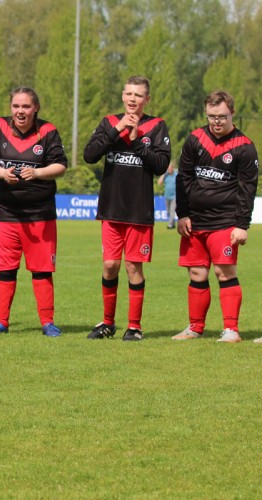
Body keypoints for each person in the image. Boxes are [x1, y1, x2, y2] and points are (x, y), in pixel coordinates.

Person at [83, 75, 171, 341]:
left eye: (138, 95)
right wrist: (117, 129)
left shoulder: (156, 126)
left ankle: (134, 326)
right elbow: (90, 155)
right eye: (129, 94)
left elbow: (160, 165)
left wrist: (135, 141)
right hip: (110, 208)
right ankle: (107, 323)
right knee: (110, 265)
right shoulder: (110, 122)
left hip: (138, 211)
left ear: (147, 99)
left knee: (133, 267)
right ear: (123, 96)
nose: (133, 99)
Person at [171, 90, 258, 343]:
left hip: (225, 222)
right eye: (211, 116)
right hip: (194, 222)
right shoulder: (195, 139)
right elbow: (183, 178)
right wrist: (183, 215)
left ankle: (231, 330)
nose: (216, 121)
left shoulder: (244, 147)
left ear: (232, 113)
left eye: (221, 116)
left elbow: (247, 189)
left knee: (224, 273)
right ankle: (195, 327)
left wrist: (242, 225)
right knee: (196, 274)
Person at [0, 87, 68, 336]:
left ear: (35, 108)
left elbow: (61, 165)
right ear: (11, 108)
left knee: (41, 270)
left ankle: (47, 322)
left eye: (26, 106)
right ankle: (1, 321)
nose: (20, 111)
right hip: (6, 212)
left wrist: (37, 173)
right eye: (16, 106)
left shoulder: (48, 131)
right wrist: (1, 173)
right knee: (5, 270)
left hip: (40, 213)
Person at [158, 163, 177, 229]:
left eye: (170, 168)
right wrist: (164, 174)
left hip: (174, 196)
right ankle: (173, 223)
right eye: (168, 168)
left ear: (172, 168)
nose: (169, 169)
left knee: (172, 210)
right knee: (168, 211)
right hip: (167, 196)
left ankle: (170, 225)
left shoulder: (176, 175)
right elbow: (159, 182)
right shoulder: (166, 175)